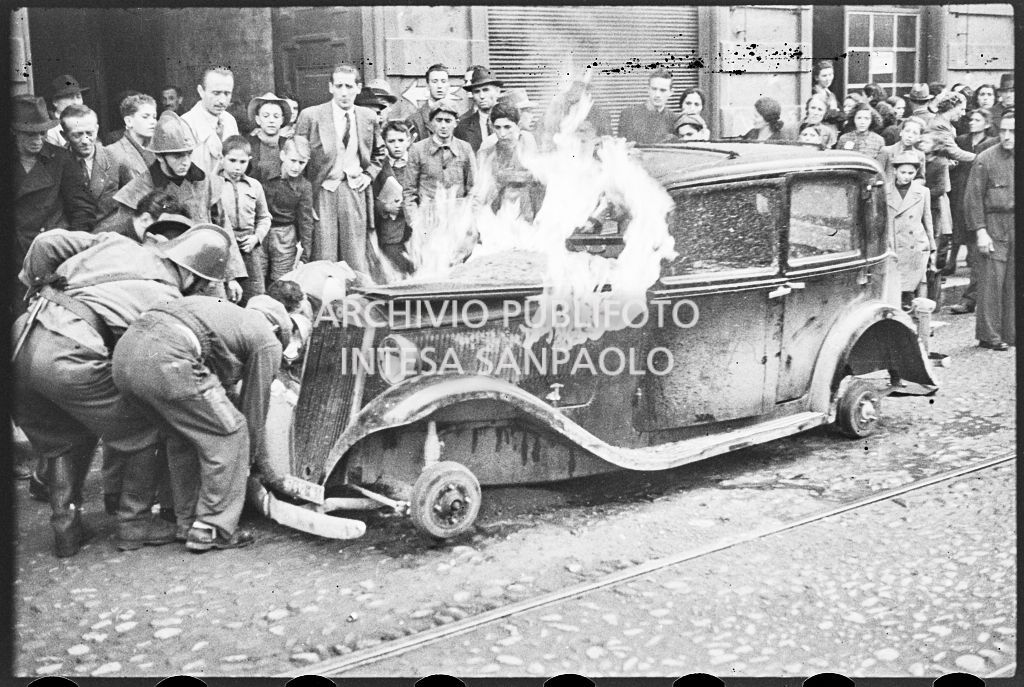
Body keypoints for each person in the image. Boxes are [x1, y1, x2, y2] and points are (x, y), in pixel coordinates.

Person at [14, 224, 232, 556]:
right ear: (196, 278)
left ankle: (66, 529)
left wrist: (37, 288)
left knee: (62, 438)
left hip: (21, 339)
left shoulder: (118, 243)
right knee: (146, 428)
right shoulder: (168, 299)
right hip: (70, 354)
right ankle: (135, 524)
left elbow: (45, 241)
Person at [112, 293, 288, 551]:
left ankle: (189, 521)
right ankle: (212, 528)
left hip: (126, 355)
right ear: (276, 327)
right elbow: (254, 409)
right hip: (167, 357)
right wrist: (249, 462)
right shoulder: (267, 338)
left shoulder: (221, 312)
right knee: (231, 432)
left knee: (185, 436)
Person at [103, 110, 245, 301]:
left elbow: (222, 227)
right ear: (160, 157)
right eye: (177, 156)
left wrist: (231, 275)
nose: (185, 161)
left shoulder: (206, 182)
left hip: (209, 277)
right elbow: (122, 238)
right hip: (166, 278)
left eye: (188, 154)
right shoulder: (139, 189)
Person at [295, 63, 386, 271]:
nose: (344, 92)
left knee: (355, 257)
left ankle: (356, 301)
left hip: (353, 190)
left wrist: (369, 175)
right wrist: (307, 199)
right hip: (323, 191)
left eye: (348, 86)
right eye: (339, 86)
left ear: (358, 88)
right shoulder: (311, 116)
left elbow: (379, 152)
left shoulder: (368, 117)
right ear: (330, 87)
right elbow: (298, 159)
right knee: (324, 256)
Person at [13, 95, 98, 298]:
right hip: (14, 257)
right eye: (29, 134)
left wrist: (69, 248)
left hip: (52, 256)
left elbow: (82, 209)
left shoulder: (61, 159)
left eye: (42, 133)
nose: (37, 140)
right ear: (14, 132)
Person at [964, 110, 1014, 350]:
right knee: (992, 283)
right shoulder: (984, 158)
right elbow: (972, 198)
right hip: (994, 224)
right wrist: (980, 231)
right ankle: (990, 336)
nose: (1006, 136)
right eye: (1003, 130)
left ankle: (1011, 334)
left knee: (1014, 282)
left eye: (1012, 131)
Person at [948, 108, 998, 310]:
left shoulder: (992, 143)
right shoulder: (961, 140)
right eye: (971, 119)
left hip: (984, 199)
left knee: (980, 255)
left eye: (977, 120)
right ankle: (972, 298)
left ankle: (973, 299)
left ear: (987, 124)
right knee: (970, 245)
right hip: (963, 195)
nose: (971, 122)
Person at [924, 92, 977, 277]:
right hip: (934, 183)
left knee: (942, 228)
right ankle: (932, 273)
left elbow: (945, 153)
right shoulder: (939, 125)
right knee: (938, 228)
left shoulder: (946, 125)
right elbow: (955, 152)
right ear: (951, 107)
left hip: (941, 179)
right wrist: (982, 158)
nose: (963, 113)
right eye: (961, 109)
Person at [220, 135, 272, 303]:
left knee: (256, 295)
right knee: (227, 296)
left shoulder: (254, 186)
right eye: (232, 160)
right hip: (224, 249)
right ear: (222, 159)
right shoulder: (214, 185)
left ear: (249, 160)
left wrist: (256, 238)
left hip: (250, 248)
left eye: (242, 162)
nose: (237, 167)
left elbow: (264, 217)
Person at [404, 98, 477, 215]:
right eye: (439, 120)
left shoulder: (465, 148)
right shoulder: (417, 149)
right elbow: (409, 192)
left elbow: (473, 189)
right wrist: (415, 222)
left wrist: (468, 219)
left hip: (457, 218)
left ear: (456, 123)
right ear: (431, 122)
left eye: (448, 121)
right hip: (427, 218)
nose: (443, 126)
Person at [181, 66, 240, 204]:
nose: (222, 100)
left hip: (228, 201)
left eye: (227, 93)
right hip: (197, 201)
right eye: (216, 93)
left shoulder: (230, 121)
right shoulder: (185, 124)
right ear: (201, 91)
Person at [476, 102, 543, 221]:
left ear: (517, 126)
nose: (502, 134)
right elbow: (481, 195)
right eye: (497, 127)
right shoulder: (485, 155)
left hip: (525, 220)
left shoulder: (528, 148)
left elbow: (539, 186)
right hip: (496, 220)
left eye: (507, 127)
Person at [885, 152, 934, 308]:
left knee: (915, 289)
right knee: (894, 287)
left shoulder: (923, 192)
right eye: (903, 172)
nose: (906, 176)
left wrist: (932, 245)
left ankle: (920, 320)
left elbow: (928, 220)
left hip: (915, 245)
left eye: (911, 173)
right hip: (893, 243)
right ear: (894, 171)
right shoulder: (884, 191)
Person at [60, 104, 120, 225]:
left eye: (90, 133)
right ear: (64, 135)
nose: (86, 141)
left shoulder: (116, 158)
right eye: (78, 135)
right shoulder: (56, 163)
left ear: (97, 129)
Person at [262, 135, 314, 277]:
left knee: (281, 280)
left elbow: (306, 221)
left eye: (302, 163)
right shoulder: (264, 173)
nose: (296, 167)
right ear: (283, 155)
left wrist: (305, 255)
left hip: (285, 236)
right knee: (256, 278)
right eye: (293, 161)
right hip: (261, 233)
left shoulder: (304, 186)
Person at [107, 93, 158, 184]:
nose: (153, 122)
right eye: (145, 117)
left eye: (154, 117)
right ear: (129, 121)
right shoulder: (113, 153)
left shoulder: (159, 150)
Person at [617, 68, 677, 145]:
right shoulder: (629, 115)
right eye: (654, 89)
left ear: (671, 92)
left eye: (663, 90)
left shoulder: (673, 120)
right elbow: (622, 148)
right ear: (648, 89)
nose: (657, 94)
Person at [245, 92, 293, 184]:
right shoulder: (248, 144)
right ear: (258, 119)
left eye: (276, 116)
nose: (271, 121)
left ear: (282, 120)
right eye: (266, 116)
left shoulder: (288, 145)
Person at [454, 66, 504, 152]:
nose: (482, 96)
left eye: (486, 90)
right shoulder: (463, 127)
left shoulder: (511, 121)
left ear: (497, 91)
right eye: (477, 92)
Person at [373, 176, 414, 276]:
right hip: (390, 239)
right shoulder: (380, 167)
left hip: (413, 237)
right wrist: (385, 207)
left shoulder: (412, 165)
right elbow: (368, 198)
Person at [408, 63, 453, 142]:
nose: (439, 86)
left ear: (448, 85)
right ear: (428, 85)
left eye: (443, 81)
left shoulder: (457, 117)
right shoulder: (414, 120)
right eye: (434, 81)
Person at [876, 116, 926, 183]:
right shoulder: (886, 151)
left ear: (919, 137)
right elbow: (877, 175)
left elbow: (921, 178)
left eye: (915, 133)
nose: (910, 136)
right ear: (901, 132)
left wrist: (911, 185)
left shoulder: (919, 155)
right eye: (907, 131)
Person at [45, 74, 88, 148]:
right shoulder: (50, 129)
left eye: (78, 97)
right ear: (55, 102)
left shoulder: (87, 122)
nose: (76, 102)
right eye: (70, 98)